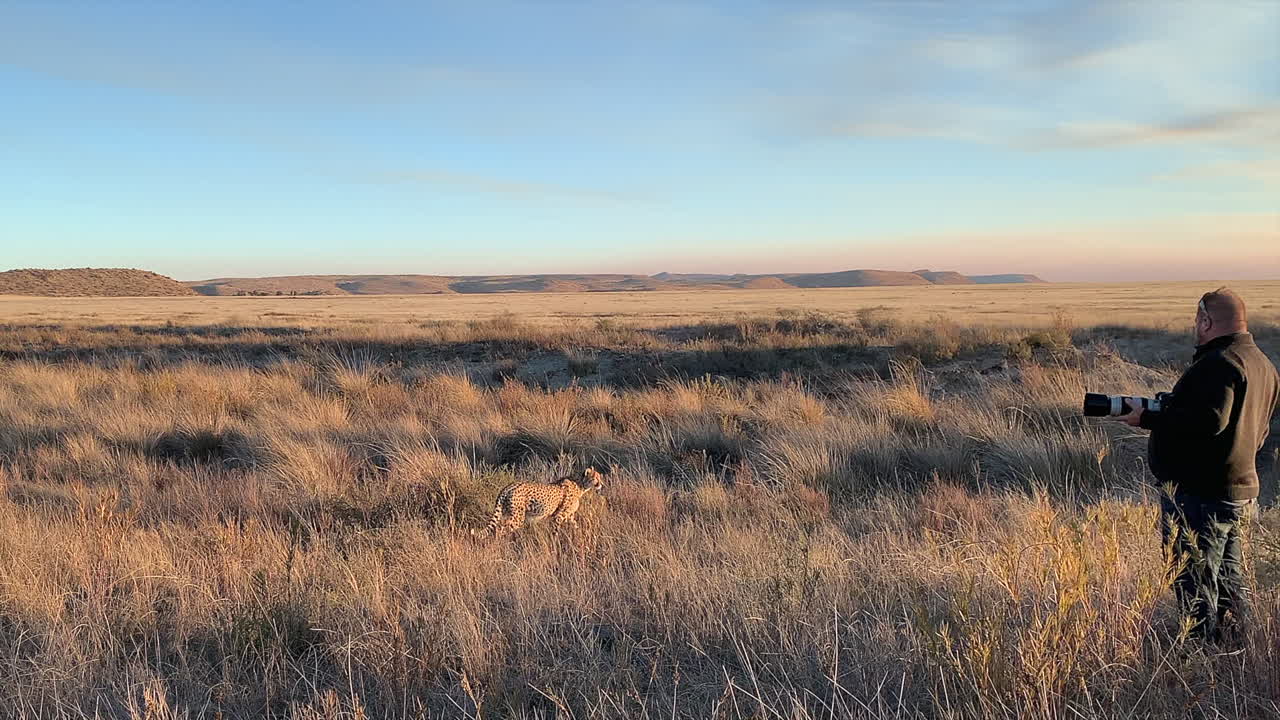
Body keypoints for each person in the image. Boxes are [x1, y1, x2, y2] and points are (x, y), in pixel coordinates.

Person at [1117, 288, 1279, 643]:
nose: (1195, 327)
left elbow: (1208, 423)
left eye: (1197, 320)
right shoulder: (1262, 363)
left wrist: (1148, 417)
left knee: (1194, 581)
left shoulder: (1220, 363)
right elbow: (1260, 431)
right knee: (1227, 579)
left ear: (1206, 320)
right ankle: (1237, 653)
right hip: (1237, 490)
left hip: (1200, 496)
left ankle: (1201, 659)